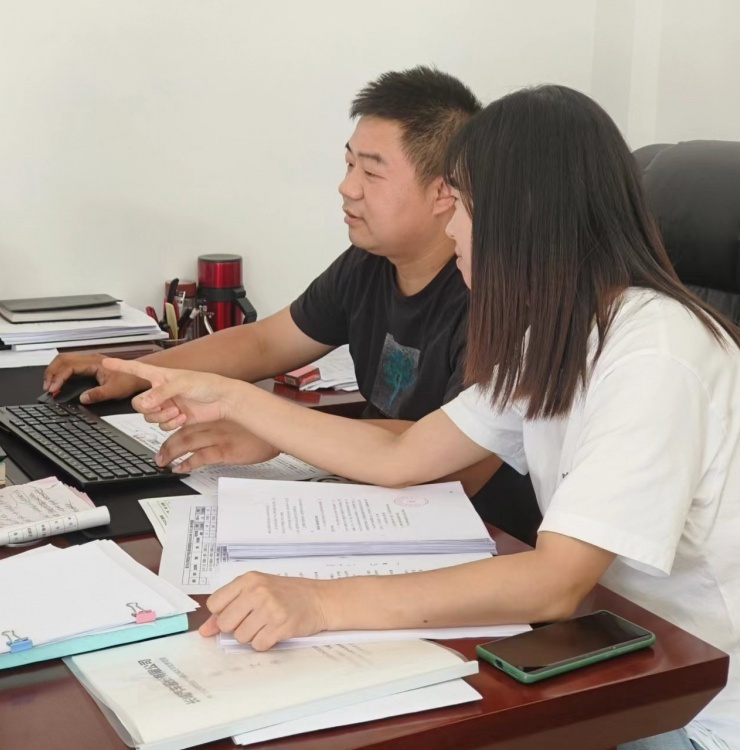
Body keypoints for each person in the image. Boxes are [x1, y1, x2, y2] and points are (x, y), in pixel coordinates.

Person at [103, 85, 740, 749]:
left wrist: (319, 602)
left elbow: (556, 582)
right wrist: (235, 397)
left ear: (520, 216)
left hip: (725, 717)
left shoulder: (655, 355)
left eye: (460, 204)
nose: (452, 227)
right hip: (629, 666)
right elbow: (404, 456)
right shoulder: (558, 333)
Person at [42, 65, 541, 542]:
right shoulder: (368, 264)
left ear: (443, 192)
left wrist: (276, 430)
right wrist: (141, 373)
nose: (346, 187)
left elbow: (449, 464)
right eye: (349, 164)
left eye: (371, 173)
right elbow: (264, 342)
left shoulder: (493, 299)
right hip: (369, 500)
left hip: (476, 533)